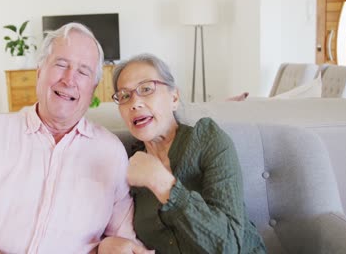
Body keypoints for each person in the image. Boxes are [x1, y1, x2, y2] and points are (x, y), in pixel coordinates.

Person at [0, 23, 147, 254]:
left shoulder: (110, 151)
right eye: (61, 64)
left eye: (83, 71)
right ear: (40, 72)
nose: (69, 79)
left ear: (93, 87)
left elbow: (124, 235)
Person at [100, 53, 266, 253]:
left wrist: (163, 185)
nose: (135, 103)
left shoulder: (208, 140)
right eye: (125, 96)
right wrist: (108, 244)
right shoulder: (126, 162)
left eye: (146, 89)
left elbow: (229, 246)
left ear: (174, 98)